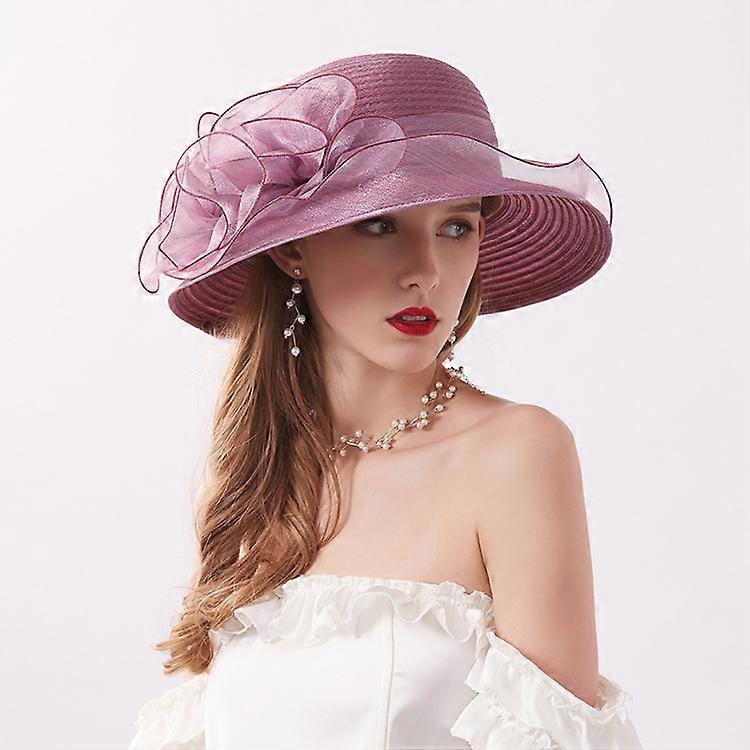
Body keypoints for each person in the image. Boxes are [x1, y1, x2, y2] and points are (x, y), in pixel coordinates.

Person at [128, 52, 643, 749]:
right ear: (292, 250)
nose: (426, 272)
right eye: (380, 224)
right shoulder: (248, 476)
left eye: (457, 227)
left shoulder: (516, 454)